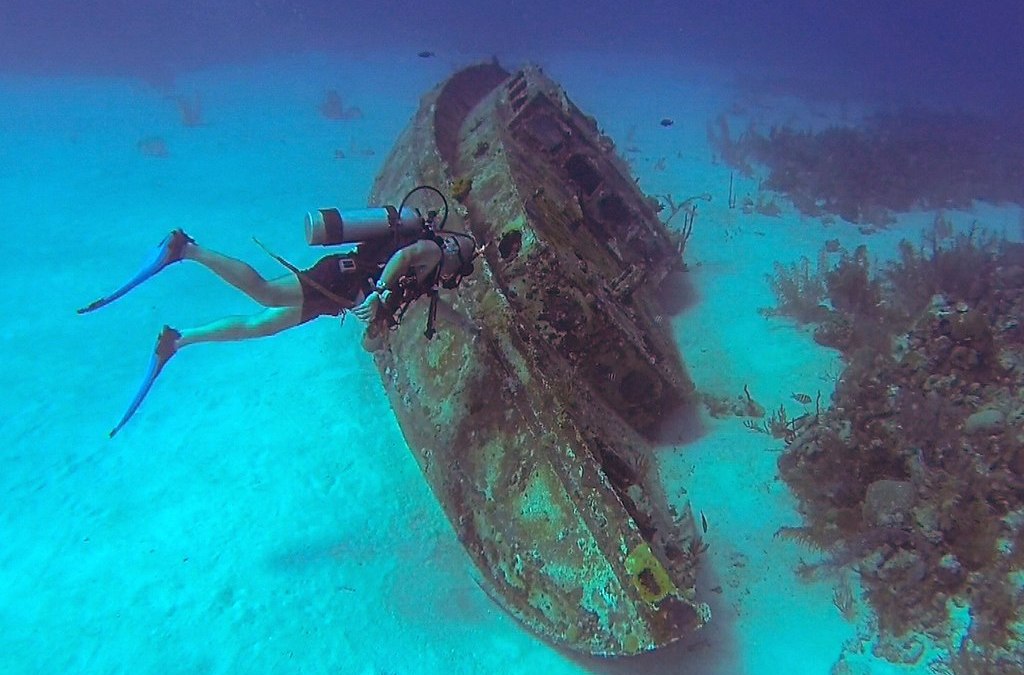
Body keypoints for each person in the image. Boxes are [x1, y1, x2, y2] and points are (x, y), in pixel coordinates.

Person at [79, 226, 478, 437]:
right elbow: (404, 256)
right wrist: (382, 294)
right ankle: (185, 249)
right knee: (265, 294)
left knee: (260, 326)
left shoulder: (428, 280)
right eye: (456, 272)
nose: (450, 278)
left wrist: (385, 331)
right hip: (342, 278)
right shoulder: (432, 251)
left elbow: (406, 316)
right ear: (455, 258)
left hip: (337, 298)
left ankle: (178, 341)